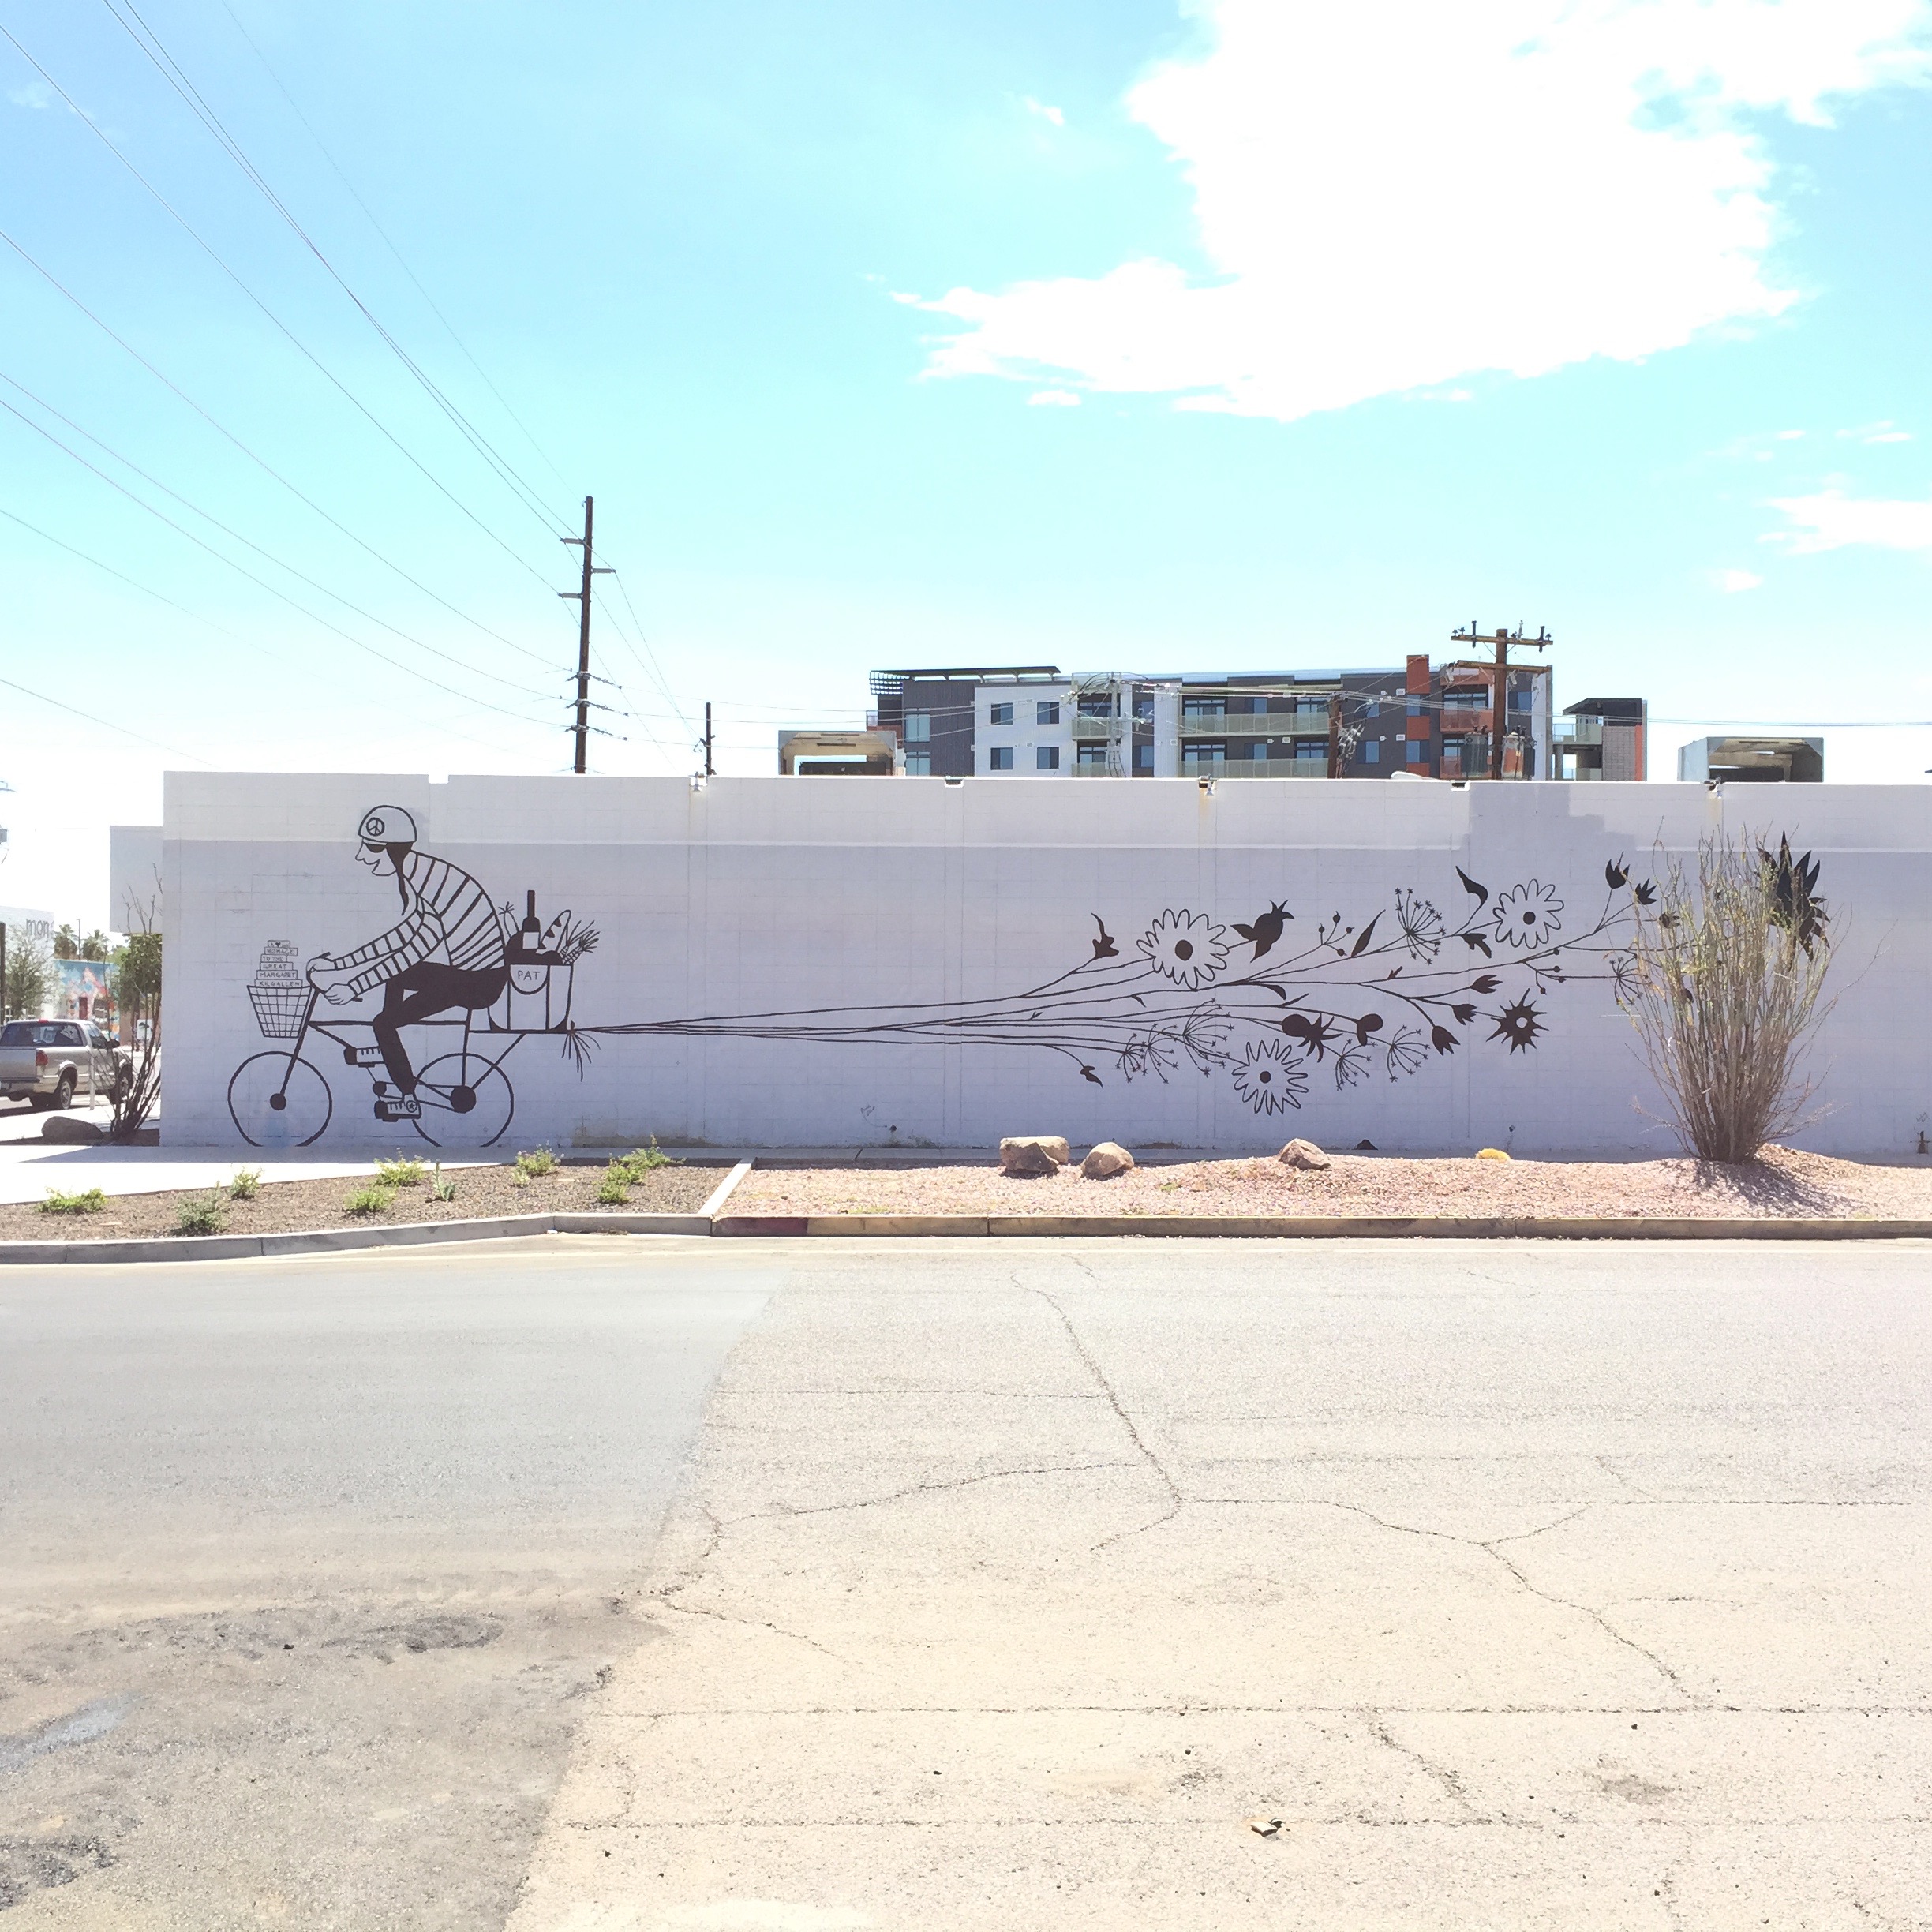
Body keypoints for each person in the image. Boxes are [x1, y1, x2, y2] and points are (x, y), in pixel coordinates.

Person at [305, 806, 507, 1122]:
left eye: (372, 847)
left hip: (477, 984)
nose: (362, 856)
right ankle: (388, 1050)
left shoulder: (431, 882)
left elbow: (411, 951)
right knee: (396, 981)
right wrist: (339, 966)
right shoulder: (424, 874)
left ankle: (408, 1097)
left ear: (395, 849)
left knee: (383, 1023)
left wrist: (353, 985)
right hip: (469, 974)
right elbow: (401, 939)